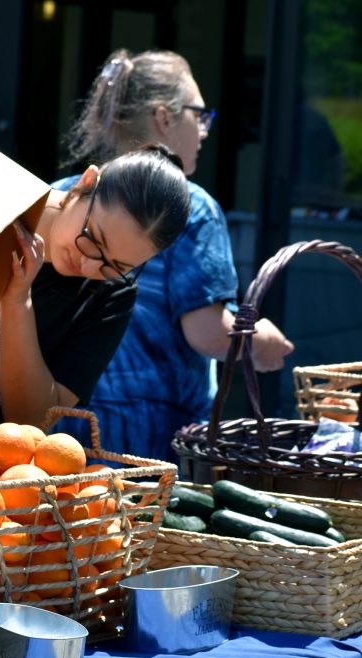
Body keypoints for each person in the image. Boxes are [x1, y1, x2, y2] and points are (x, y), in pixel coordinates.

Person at [53, 49, 294, 461]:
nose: (204, 130)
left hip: (53, 426)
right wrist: (263, 341)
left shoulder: (67, 192)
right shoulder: (189, 206)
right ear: (165, 117)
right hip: (145, 438)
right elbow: (208, 332)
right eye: (199, 115)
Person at [0, 143, 191, 430]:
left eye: (118, 266)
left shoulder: (113, 296)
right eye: (93, 240)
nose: (88, 267)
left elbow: (32, 420)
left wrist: (17, 301)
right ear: (87, 182)